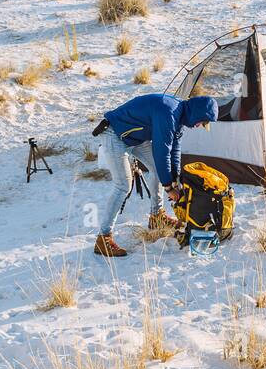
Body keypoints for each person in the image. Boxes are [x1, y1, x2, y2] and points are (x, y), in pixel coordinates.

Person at [92, 93, 218, 257]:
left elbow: (174, 150)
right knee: (123, 185)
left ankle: (156, 216)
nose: (201, 126)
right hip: (114, 134)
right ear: (197, 113)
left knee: (159, 169)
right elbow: (162, 152)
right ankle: (103, 238)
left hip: (135, 138)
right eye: (203, 122)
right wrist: (168, 188)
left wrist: (176, 179)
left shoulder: (180, 116)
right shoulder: (169, 112)